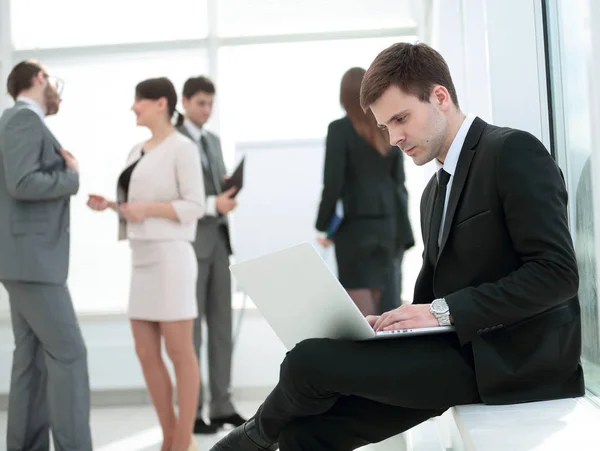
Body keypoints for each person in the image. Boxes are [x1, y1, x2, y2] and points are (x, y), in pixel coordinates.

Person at [209, 42, 584, 451]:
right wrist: (388, 326)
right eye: (386, 127)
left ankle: (246, 442)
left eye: (401, 119)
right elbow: (429, 300)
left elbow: (557, 274)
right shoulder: (433, 193)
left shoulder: (511, 151)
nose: (394, 139)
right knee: (307, 433)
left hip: (512, 358)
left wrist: (442, 311)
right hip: (460, 353)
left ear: (440, 96)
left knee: (307, 361)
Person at [87, 77, 204, 451]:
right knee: (145, 352)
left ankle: (182, 439)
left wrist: (147, 209)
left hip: (171, 257)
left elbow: (195, 205)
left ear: (161, 103)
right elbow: (133, 209)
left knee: (179, 352)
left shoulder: (182, 149)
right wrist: (110, 206)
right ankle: (170, 435)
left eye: (139, 101)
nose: (133, 107)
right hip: (141, 259)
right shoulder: (136, 151)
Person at [0, 60, 92, 451]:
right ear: (39, 79)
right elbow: (21, 183)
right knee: (70, 354)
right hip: (33, 263)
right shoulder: (23, 119)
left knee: (32, 358)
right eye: (51, 80)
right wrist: (71, 176)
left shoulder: (16, 120)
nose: (55, 88)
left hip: (22, 261)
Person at [177, 75, 246, 434]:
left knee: (220, 327)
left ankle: (222, 405)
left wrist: (226, 192)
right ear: (185, 102)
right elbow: (176, 196)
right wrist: (210, 203)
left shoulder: (214, 141)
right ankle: (191, 411)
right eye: (200, 103)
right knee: (192, 333)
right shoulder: (173, 141)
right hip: (189, 245)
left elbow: (212, 183)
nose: (206, 109)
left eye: (210, 103)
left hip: (219, 242)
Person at [316, 67, 414, 316]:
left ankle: (369, 355)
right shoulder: (386, 127)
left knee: (363, 318)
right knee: (389, 310)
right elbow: (399, 183)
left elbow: (333, 184)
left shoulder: (339, 129)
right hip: (390, 228)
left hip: (355, 230)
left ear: (343, 96)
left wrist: (322, 225)